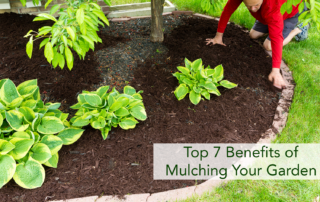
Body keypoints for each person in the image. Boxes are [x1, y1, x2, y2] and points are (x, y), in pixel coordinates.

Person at [206, 0, 309, 89]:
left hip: (288, 13)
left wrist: (276, 71)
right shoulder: (258, 7)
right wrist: (218, 37)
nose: (253, 9)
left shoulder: (273, 6)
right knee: (253, 35)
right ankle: (272, 25)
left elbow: (277, 39)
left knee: (268, 46)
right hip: (266, 15)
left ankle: (299, 29)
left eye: (256, 4)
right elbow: (227, 10)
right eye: (249, 6)